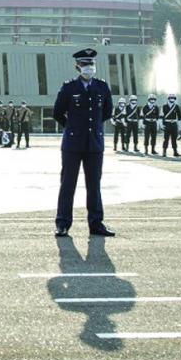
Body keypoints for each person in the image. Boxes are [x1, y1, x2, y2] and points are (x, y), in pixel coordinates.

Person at [52, 48, 115, 238]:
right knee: (68, 184)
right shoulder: (69, 88)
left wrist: (93, 128)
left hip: (94, 144)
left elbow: (107, 112)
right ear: (77, 66)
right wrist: (71, 127)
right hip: (73, 143)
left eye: (91, 64)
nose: (89, 68)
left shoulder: (102, 87)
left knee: (94, 185)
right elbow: (57, 112)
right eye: (85, 64)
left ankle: (96, 223)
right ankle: (62, 223)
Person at [160, 93, 181, 157]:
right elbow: (161, 116)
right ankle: (164, 152)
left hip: (174, 124)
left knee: (174, 139)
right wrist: (161, 124)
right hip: (167, 124)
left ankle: (175, 152)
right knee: (166, 138)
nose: (172, 99)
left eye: (173, 98)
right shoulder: (164, 106)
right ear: (168, 99)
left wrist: (179, 126)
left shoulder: (176, 106)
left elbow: (179, 117)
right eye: (170, 98)